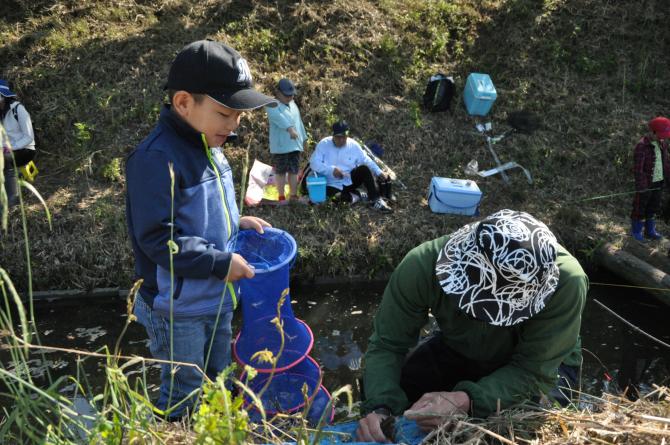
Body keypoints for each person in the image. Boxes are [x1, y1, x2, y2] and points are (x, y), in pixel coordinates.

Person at [125, 40, 277, 420]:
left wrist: (236, 222)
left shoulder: (210, 142)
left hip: (217, 297)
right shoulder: (156, 159)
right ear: (183, 103)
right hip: (177, 309)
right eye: (226, 113)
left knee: (220, 377)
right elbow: (159, 238)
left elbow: (200, 213)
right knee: (185, 390)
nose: (235, 124)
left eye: (239, 115)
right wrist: (218, 262)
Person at [356, 209, 588, 442]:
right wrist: (380, 407)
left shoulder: (567, 283)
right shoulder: (422, 264)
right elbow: (387, 345)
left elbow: (534, 371)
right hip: (459, 347)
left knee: (521, 430)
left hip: (543, 366)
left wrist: (467, 399)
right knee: (386, 390)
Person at [309, 120, 393, 212]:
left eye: (343, 137)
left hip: (348, 180)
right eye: (338, 137)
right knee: (334, 200)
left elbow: (366, 159)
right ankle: (357, 195)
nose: (341, 140)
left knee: (364, 169)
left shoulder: (353, 145)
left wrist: (379, 171)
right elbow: (313, 163)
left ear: (347, 135)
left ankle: (374, 200)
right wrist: (331, 170)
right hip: (331, 183)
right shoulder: (324, 144)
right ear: (333, 135)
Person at [265, 78, 308, 205]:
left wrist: (304, 137)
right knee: (281, 171)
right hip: (281, 146)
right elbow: (278, 118)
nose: (290, 97)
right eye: (286, 95)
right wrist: (289, 129)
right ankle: (281, 196)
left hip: (295, 145)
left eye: (291, 95)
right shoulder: (271, 104)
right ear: (278, 92)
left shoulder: (293, 104)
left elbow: (299, 122)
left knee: (294, 170)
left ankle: (293, 195)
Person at [631, 116, 670, 241]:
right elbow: (638, 169)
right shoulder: (642, 145)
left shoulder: (662, 143)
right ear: (652, 132)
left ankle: (650, 230)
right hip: (646, 184)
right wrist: (642, 186)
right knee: (640, 207)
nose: (663, 137)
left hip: (658, 182)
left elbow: (665, 162)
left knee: (653, 206)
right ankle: (636, 232)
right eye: (661, 134)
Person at [1, 79, 36, 209]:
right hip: (7, 149)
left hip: (25, 149)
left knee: (6, 159)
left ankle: (13, 199)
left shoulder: (18, 109)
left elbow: (28, 137)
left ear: (3, 96)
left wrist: (9, 148)